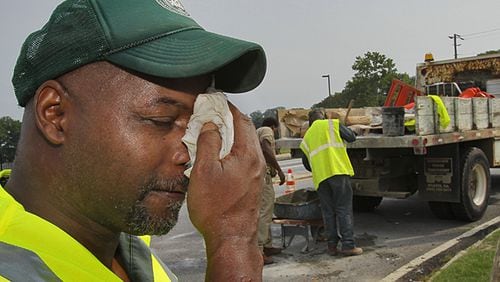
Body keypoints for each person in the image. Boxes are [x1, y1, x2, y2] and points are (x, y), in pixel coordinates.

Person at [0, 0, 268, 281]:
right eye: (162, 119)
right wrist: (232, 240)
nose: (189, 154)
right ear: (55, 114)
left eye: (195, 125)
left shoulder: (129, 250)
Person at [300, 109, 363, 256]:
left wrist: (320, 165)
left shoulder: (307, 136)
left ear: (310, 121)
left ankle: (332, 246)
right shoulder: (332, 124)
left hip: (321, 177)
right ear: (323, 116)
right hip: (338, 171)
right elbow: (351, 138)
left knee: (328, 212)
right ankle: (348, 245)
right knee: (343, 209)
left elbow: (306, 163)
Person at [256, 117, 286, 265]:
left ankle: (267, 246)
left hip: (257, 175)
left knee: (264, 211)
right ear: (274, 126)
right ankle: (259, 251)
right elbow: (265, 147)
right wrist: (279, 170)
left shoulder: (257, 131)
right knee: (265, 212)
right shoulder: (267, 130)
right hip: (263, 176)